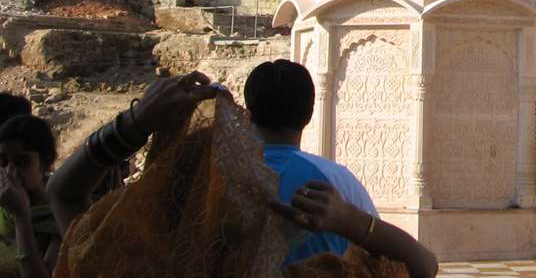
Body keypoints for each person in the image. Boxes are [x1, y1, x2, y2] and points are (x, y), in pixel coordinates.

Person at [47, 70, 439, 278]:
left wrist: (135, 122)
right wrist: (350, 222)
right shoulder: (332, 187)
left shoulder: (147, 261)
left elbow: (63, 194)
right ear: (308, 114)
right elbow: (421, 265)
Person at [244, 60, 379, 266]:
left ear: (248, 113)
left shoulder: (224, 174)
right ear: (309, 114)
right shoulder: (336, 179)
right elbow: (382, 254)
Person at [0, 115, 60, 277]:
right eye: (3, 161)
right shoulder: (2, 205)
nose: (9, 171)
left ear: (46, 163)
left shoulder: (60, 217)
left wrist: (21, 218)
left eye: (22, 162)